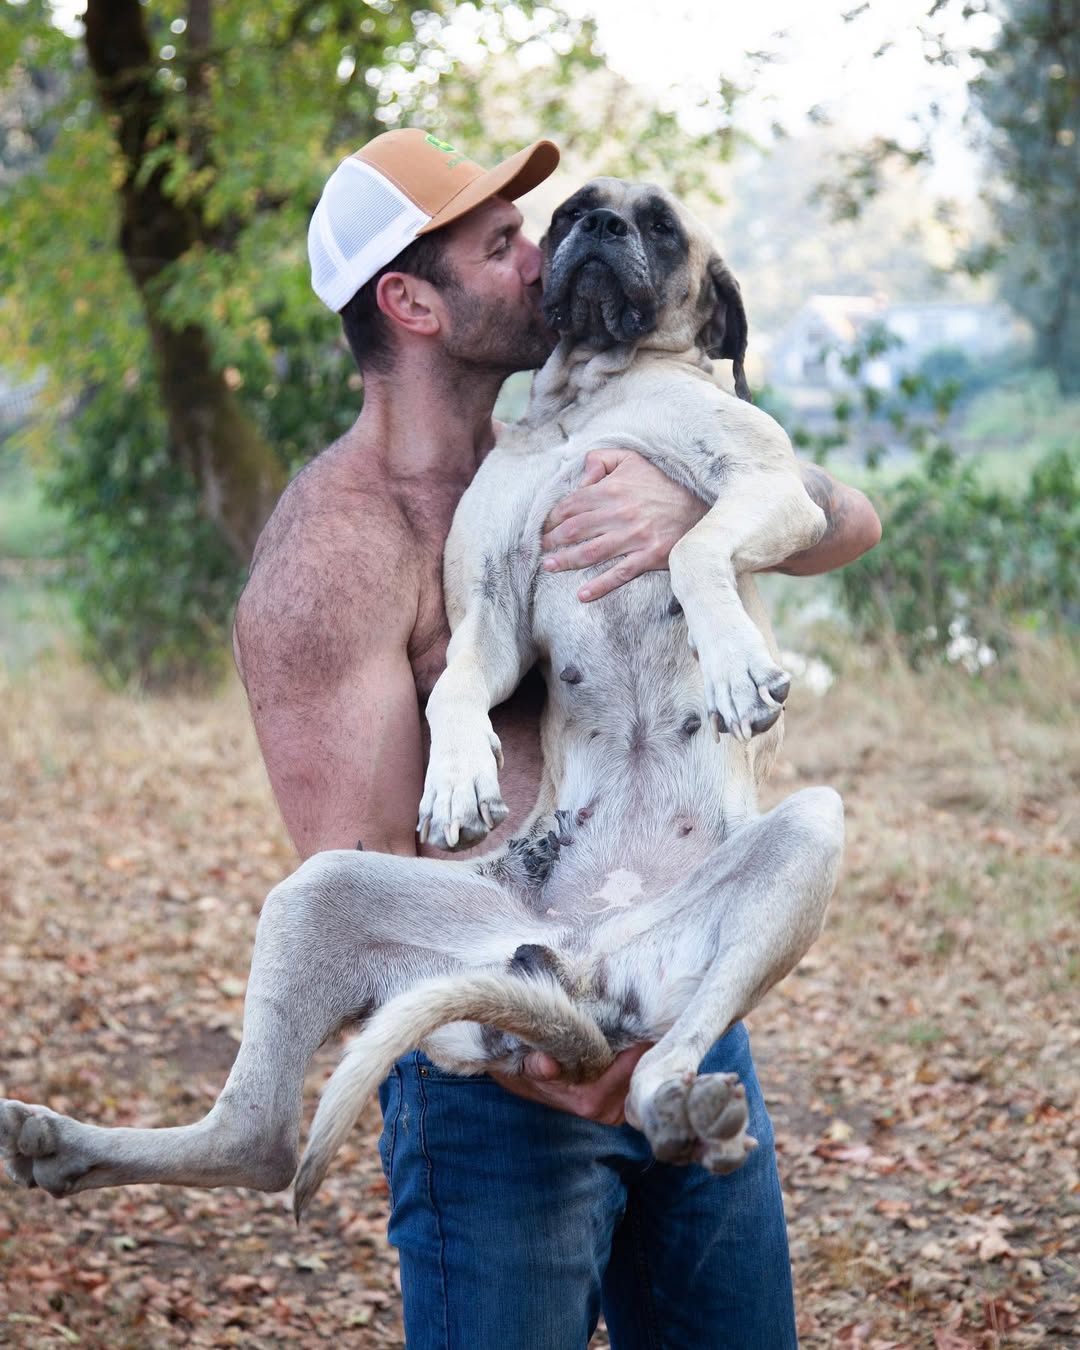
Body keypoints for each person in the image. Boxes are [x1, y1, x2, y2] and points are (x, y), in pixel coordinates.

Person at [233, 129, 881, 1349]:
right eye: (501, 245)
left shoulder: (578, 430)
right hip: (509, 1088)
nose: (540, 262)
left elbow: (849, 519)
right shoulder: (335, 558)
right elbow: (361, 876)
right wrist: (569, 1064)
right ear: (409, 302)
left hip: (683, 1014)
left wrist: (699, 512)